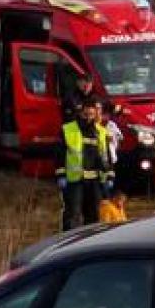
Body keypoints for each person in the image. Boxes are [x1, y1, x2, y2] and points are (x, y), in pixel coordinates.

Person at [61, 97, 114, 230]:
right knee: (73, 215)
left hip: (95, 181)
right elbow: (59, 153)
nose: (89, 118)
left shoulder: (101, 131)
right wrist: (60, 174)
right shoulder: (68, 129)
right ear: (81, 112)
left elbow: (106, 155)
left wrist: (110, 175)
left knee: (95, 217)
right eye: (86, 114)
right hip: (75, 180)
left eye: (92, 115)